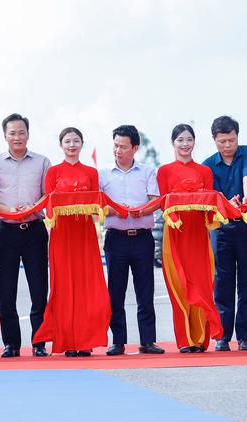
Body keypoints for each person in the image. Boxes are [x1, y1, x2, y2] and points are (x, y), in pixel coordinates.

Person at [33, 127, 110, 357]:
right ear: (61, 145)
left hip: (84, 234)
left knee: (87, 285)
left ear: (82, 144)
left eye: (76, 141)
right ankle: (66, 340)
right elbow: (47, 204)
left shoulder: (90, 172)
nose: (72, 145)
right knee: (63, 286)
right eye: (67, 141)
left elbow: (97, 204)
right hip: (61, 235)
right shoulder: (53, 172)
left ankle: (85, 340)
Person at [0, 114, 49, 358]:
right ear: (5, 136)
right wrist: (8, 210)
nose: (17, 137)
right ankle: (11, 343)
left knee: (38, 288)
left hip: (34, 231)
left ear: (28, 134)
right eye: (12, 133)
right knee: (6, 289)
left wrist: (31, 208)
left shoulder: (42, 162)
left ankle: (39, 342)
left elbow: (47, 194)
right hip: (6, 231)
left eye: (21, 132)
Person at [157, 124, 223, 353]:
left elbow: (210, 204)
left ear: (194, 142)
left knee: (202, 284)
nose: (185, 144)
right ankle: (185, 340)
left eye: (189, 140)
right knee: (179, 285)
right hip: (175, 234)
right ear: (173, 143)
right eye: (180, 140)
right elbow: (163, 202)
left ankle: (202, 339)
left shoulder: (204, 171)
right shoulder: (164, 171)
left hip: (198, 236)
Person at [100, 125, 164, 356]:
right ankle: (118, 341)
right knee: (115, 291)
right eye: (115, 145)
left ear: (135, 148)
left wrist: (141, 210)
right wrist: (111, 211)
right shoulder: (103, 173)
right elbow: (98, 205)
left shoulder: (147, 172)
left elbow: (155, 201)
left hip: (142, 238)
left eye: (123, 146)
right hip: (115, 238)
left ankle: (148, 340)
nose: (118, 150)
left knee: (144, 291)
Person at [202, 116, 247, 351]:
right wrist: (228, 205)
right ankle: (222, 336)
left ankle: (246, 337)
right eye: (222, 141)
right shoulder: (207, 165)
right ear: (214, 140)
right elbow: (213, 196)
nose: (228, 145)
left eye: (232, 140)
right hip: (221, 228)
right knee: (223, 281)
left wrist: (245, 199)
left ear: (238, 137)